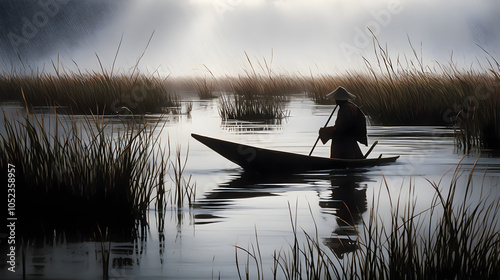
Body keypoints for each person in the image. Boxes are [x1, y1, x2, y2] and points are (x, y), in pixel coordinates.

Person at [318, 87, 367, 159]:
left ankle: (340, 160)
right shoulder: (350, 106)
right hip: (349, 137)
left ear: (339, 99)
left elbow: (340, 127)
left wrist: (324, 131)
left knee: (336, 138)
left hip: (345, 138)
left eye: (336, 99)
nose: (335, 101)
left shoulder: (345, 109)